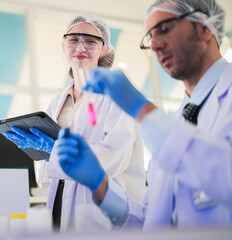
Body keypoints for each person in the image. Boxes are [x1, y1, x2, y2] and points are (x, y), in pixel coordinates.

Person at [56, 0, 232, 229]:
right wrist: (100, 184)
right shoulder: (181, 118)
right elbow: (153, 220)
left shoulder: (162, 126)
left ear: (205, 28)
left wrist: (142, 109)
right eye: (150, 36)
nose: (155, 45)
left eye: (164, 29)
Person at [4, 14, 146, 232]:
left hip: (102, 211)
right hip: (59, 203)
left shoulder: (116, 93)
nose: (81, 46)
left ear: (104, 49)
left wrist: (56, 150)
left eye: (91, 41)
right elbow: (52, 166)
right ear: (63, 46)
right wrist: (43, 150)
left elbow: (115, 157)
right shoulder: (59, 100)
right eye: (73, 39)